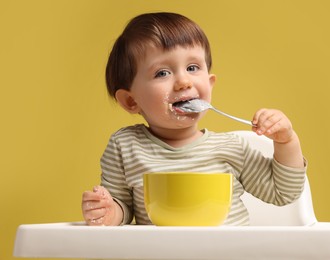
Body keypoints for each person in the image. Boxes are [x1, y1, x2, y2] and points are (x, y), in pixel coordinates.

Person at [81, 12, 307, 226]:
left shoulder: (231, 148)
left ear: (209, 84)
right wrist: (109, 211)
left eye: (192, 67)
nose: (184, 81)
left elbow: (283, 193)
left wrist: (286, 141)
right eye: (162, 73)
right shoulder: (125, 146)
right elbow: (123, 206)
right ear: (131, 101)